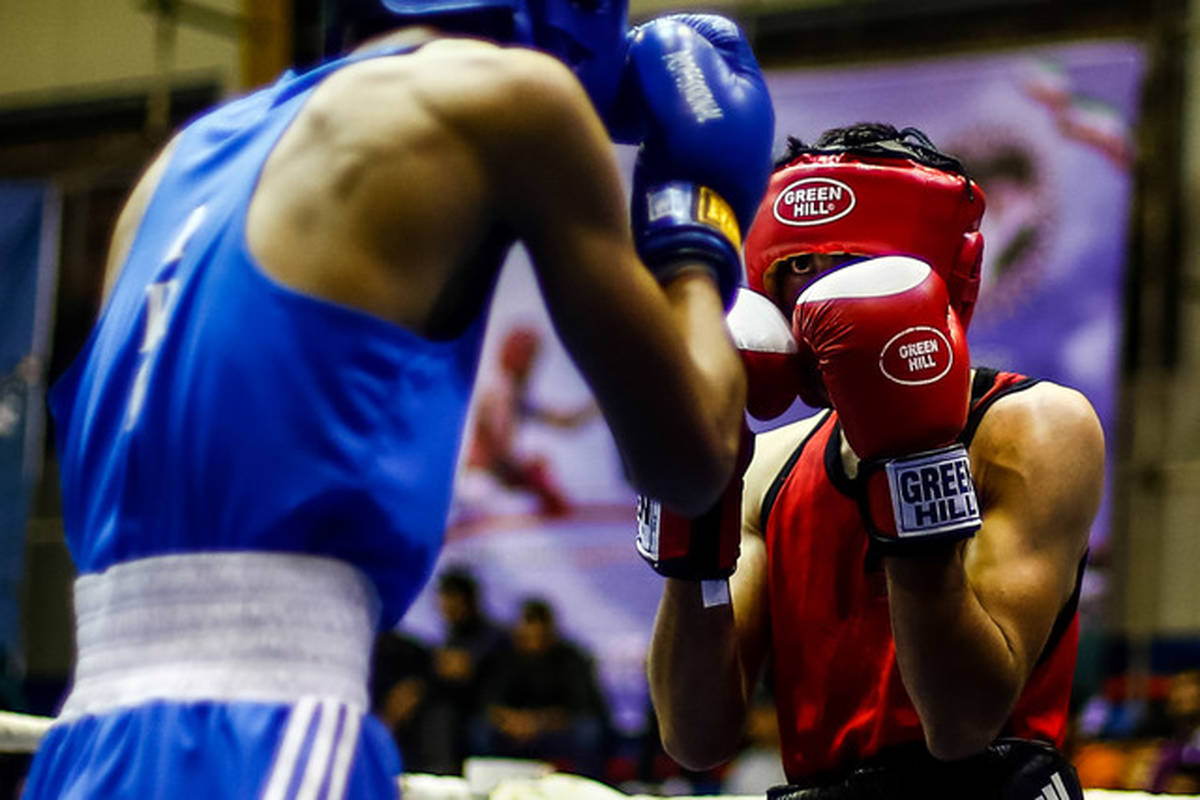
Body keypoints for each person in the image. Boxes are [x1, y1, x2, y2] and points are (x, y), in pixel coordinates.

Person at [22, 0, 776, 794]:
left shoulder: (179, 163)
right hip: (266, 735)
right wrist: (697, 223)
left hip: (86, 744)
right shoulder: (511, 96)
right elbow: (690, 461)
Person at [640, 124, 1105, 799]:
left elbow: (962, 723)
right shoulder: (768, 467)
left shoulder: (1033, 427)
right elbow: (694, 737)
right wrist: (694, 512)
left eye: (852, 264)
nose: (818, 293)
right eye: (799, 265)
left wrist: (910, 461)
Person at [470, 597, 610, 778]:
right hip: (513, 729)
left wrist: (538, 722)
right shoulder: (504, 656)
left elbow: (581, 707)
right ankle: (491, 784)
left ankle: (586, 784)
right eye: (527, 632)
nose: (533, 639)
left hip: (556, 730)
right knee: (480, 729)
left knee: (588, 731)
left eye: (539, 634)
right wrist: (511, 721)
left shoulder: (571, 658)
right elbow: (489, 700)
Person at [425, 567, 508, 774]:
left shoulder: (491, 634)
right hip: (459, 710)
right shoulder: (452, 635)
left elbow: (460, 669)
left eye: (450, 598)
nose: (444, 606)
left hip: (490, 711)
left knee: (449, 721)